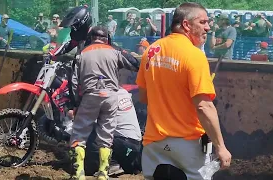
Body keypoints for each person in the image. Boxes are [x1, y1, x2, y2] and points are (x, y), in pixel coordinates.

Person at [135, 2, 232, 180]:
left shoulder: (150, 51)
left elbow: (143, 96)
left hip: (154, 143)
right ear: (186, 24)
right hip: (188, 144)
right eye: (202, 22)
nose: (208, 27)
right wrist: (221, 147)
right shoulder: (194, 56)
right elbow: (204, 107)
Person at [69, 26, 139, 180]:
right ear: (108, 38)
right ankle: (103, 173)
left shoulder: (81, 54)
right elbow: (135, 64)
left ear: (90, 38)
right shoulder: (114, 51)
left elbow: (73, 82)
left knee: (79, 134)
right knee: (106, 135)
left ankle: (79, 173)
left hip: (90, 96)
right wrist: (117, 50)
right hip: (111, 97)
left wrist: (74, 104)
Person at [65, 87, 142, 176]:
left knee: (87, 134)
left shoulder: (104, 96)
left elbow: (86, 120)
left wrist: (72, 113)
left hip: (121, 144)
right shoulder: (123, 92)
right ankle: (121, 164)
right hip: (135, 148)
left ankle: (111, 164)